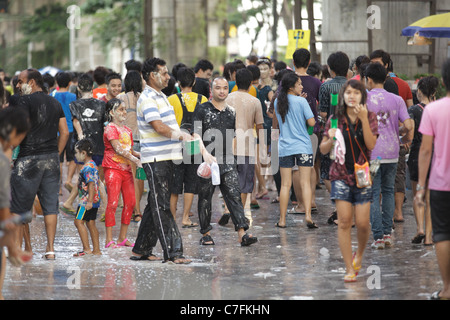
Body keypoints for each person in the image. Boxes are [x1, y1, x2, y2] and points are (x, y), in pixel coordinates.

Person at [131, 57, 192, 264]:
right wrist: (182, 135)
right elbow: (159, 127)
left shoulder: (161, 96)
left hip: (168, 157)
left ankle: (141, 249)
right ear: (151, 76)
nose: (168, 77)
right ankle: (173, 252)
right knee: (162, 206)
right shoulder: (148, 98)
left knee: (154, 203)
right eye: (164, 73)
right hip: (156, 159)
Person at [320, 80, 378, 282]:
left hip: (362, 176)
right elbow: (324, 150)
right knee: (344, 222)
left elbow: (371, 144)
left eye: (356, 92)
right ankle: (348, 268)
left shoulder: (369, 116)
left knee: (362, 224)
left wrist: (362, 119)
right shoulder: (336, 119)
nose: (351, 96)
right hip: (340, 175)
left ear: (363, 95)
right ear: (343, 96)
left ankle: (359, 255)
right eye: (348, 92)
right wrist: (329, 138)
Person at [192, 77, 258, 247]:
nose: (221, 91)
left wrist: (234, 156)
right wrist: (205, 153)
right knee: (205, 198)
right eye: (218, 88)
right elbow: (196, 135)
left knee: (234, 195)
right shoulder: (202, 109)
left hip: (228, 161)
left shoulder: (231, 111)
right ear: (211, 91)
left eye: (224, 88)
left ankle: (242, 233)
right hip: (207, 161)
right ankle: (205, 233)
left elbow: (234, 136)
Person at [11, 69, 69, 260]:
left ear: (33, 82)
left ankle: (20, 251)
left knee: (19, 208)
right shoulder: (55, 102)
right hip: (51, 159)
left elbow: (19, 129)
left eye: (21, 82)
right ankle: (50, 249)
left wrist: (10, 150)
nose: (18, 86)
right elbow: (65, 132)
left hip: (27, 160)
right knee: (50, 206)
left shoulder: (24, 102)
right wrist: (55, 153)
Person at [364, 63, 413, 249]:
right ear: (385, 79)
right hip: (393, 153)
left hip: (372, 155)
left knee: (373, 194)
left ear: (368, 79)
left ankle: (377, 238)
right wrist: (398, 131)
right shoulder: (397, 99)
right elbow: (408, 126)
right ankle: (387, 234)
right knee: (388, 191)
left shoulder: (364, 99)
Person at [415, 58, 450, 300]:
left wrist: (420, 186)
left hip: (440, 184)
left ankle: (447, 289)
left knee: (443, 234)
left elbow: (425, 151)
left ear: (445, 81)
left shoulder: (433, 110)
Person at [274, 72, 316, 229]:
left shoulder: (278, 101)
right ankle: (308, 216)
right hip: (303, 146)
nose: (302, 86)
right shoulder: (301, 102)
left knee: (285, 185)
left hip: (285, 147)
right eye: (299, 84)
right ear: (291, 87)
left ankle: (282, 220)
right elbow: (311, 122)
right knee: (305, 183)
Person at [61, 73, 107, 214]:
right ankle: (105, 207)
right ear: (92, 87)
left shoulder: (74, 104)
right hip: (98, 145)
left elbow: (75, 121)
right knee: (93, 178)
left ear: (79, 88)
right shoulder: (101, 104)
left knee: (85, 176)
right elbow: (104, 125)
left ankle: (100, 207)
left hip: (82, 147)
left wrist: (81, 136)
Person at [168, 67, 207, 228]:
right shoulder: (203, 99)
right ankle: (185, 218)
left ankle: (171, 220)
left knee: (175, 186)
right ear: (194, 82)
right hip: (195, 146)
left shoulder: (171, 99)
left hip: (175, 146)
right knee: (191, 183)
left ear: (178, 82)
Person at [0, 107, 32, 300]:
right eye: (20, 136)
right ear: (12, 132)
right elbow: (3, 204)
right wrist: (13, 247)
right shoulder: (3, 160)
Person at [224, 68, 264, 224]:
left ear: (235, 80)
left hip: (227, 145)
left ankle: (229, 209)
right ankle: (238, 213)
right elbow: (260, 126)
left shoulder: (226, 99)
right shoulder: (254, 101)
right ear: (251, 83)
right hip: (247, 147)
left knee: (229, 181)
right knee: (245, 184)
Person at [103, 98, 140, 249]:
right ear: (111, 112)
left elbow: (129, 151)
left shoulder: (128, 130)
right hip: (113, 169)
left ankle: (122, 238)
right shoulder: (110, 128)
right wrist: (134, 159)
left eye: (125, 109)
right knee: (112, 203)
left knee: (131, 203)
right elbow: (117, 148)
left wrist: (140, 156)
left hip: (126, 170)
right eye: (120, 109)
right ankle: (108, 239)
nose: (124, 112)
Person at [318, 51, 350, 223]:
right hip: (351, 133)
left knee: (327, 173)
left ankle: (340, 206)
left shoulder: (326, 87)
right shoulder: (354, 86)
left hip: (331, 134)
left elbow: (323, 112)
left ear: (330, 70)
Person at [408, 76, 438, 246]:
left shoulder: (413, 110)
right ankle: (428, 236)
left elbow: (410, 133)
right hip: (435, 154)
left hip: (417, 154)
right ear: (433, 92)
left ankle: (419, 228)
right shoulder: (437, 110)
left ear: (419, 91)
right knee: (429, 199)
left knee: (417, 193)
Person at [292, 48, 322, 215]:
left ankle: (301, 204)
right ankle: (312, 201)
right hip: (312, 129)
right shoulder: (316, 83)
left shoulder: (287, 81)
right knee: (310, 166)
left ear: (293, 62)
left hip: (293, 131)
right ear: (309, 62)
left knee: (297, 168)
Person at [118, 70, 145, 223]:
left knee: (131, 176)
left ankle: (136, 210)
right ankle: (138, 208)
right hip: (143, 140)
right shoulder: (143, 98)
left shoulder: (120, 98)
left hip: (127, 141)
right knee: (140, 177)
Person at [72, 139, 101, 257]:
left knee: (78, 221)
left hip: (85, 202)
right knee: (90, 223)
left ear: (83, 153)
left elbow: (91, 184)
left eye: (76, 152)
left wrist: (88, 201)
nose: (75, 155)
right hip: (94, 201)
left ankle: (87, 249)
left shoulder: (87, 168)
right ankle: (97, 250)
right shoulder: (93, 164)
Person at [53, 72, 77, 193]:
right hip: (71, 130)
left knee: (59, 159)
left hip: (58, 132)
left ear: (57, 82)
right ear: (69, 83)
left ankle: (59, 187)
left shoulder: (53, 96)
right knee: (72, 158)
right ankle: (68, 180)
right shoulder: (73, 96)